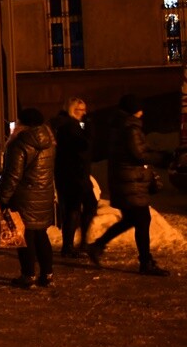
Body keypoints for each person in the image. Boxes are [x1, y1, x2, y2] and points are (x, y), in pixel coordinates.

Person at [87, 94, 170, 276]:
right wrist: (161, 157)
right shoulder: (130, 128)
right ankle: (145, 262)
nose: (142, 111)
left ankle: (98, 245)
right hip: (131, 181)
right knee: (142, 220)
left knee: (133, 219)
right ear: (135, 110)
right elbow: (139, 154)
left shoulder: (120, 125)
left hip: (124, 179)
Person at [0, 108, 57, 288]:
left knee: (25, 237)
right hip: (43, 195)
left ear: (22, 124)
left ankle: (28, 275)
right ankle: (47, 274)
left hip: (24, 197)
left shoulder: (20, 143)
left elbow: (12, 175)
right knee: (41, 235)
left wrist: (2, 198)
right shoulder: (49, 141)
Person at [50, 97, 96, 257]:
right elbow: (84, 146)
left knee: (81, 206)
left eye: (84, 110)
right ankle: (70, 245)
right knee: (74, 208)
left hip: (76, 172)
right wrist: (89, 128)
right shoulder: (69, 125)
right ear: (70, 109)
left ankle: (75, 244)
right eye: (79, 110)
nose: (83, 113)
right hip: (73, 173)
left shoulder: (68, 124)